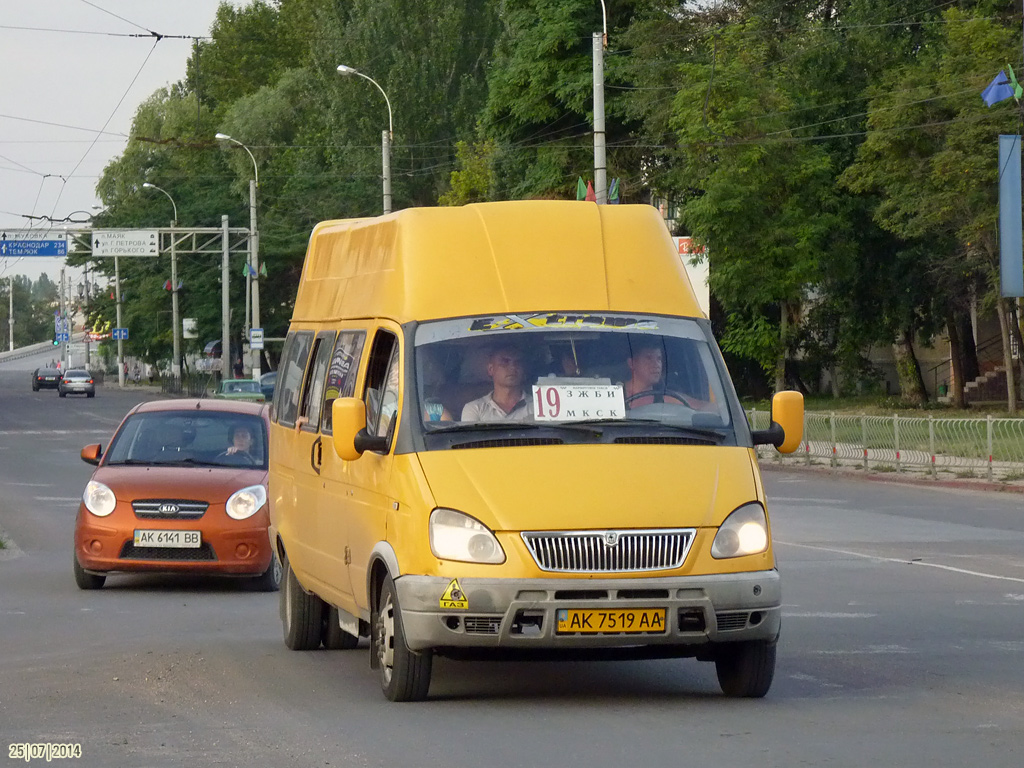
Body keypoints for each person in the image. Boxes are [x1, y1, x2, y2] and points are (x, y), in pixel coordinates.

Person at [461, 344, 533, 422]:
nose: (513, 367)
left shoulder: (539, 407)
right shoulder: (475, 408)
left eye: (518, 362)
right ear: (491, 369)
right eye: (505, 362)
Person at [622, 338, 686, 408]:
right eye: (649, 358)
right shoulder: (613, 394)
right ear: (631, 363)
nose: (656, 365)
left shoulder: (668, 397)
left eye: (659, 359)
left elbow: (696, 407)